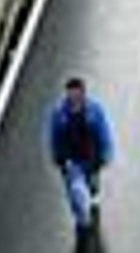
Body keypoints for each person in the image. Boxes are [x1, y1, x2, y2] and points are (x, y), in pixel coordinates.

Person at [47, 77, 115, 237]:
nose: (74, 96)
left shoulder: (94, 110)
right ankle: (81, 218)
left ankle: (93, 192)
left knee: (91, 182)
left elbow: (103, 131)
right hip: (71, 159)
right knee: (74, 189)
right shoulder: (59, 113)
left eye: (77, 93)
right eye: (71, 93)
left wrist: (107, 152)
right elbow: (54, 135)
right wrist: (56, 155)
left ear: (83, 93)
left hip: (91, 155)